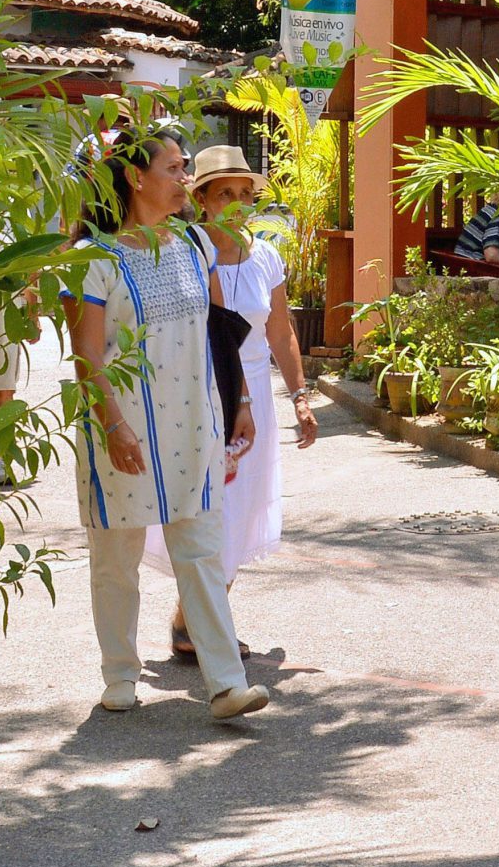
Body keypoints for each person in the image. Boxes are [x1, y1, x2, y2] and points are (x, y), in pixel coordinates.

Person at [66, 134, 269, 722]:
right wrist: (114, 426)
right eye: (175, 168)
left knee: (201, 549)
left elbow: (219, 334)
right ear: (134, 178)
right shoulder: (94, 258)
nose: (185, 178)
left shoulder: (195, 244)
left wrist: (243, 403)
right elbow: (87, 354)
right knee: (115, 556)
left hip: (193, 423)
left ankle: (226, 683)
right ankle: (120, 674)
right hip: (123, 427)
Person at [145, 146, 321, 659]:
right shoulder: (186, 250)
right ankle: (207, 629)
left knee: (238, 512)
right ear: (201, 200)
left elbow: (280, 330)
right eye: (226, 194)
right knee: (205, 509)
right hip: (201, 392)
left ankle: (189, 623)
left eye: (246, 194)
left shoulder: (265, 256)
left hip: (253, 400)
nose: (239, 203)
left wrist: (300, 397)